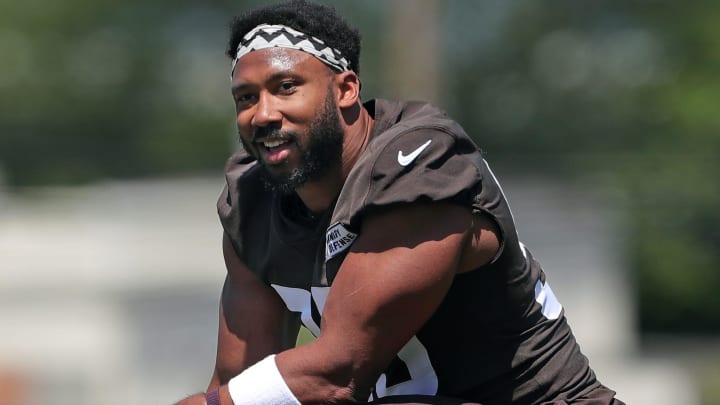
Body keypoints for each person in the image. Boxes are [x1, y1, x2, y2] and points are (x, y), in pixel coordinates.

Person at [177, 1, 623, 404]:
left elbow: (338, 373)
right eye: (246, 98)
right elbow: (240, 384)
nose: (264, 113)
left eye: (286, 86)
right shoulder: (252, 203)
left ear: (346, 89)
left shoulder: (418, 163)